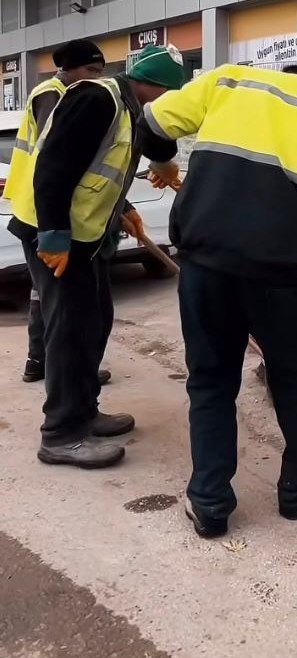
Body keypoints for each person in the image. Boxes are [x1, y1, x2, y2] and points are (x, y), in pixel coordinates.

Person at [142, 32, 297, 539]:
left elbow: (151, 123)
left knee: (211, 381)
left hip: (205, 265)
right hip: (284, 279)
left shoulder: (229, 78)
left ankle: (210, 503)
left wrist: (162, 163)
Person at [8, 44, 184, 470]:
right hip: (54, 235)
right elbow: (55, 165)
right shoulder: (97, 98)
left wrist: (140, 192)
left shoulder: (131, 109)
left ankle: (85, 411)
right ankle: (62, 435)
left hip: (86, 237)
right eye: (172, 94)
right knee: (69, 330)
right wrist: (52, 235)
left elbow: (134, 152)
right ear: (157, 86)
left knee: (95, 320)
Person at [6, 39, 113, 386]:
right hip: (43, 213)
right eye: (91, 71)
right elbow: (59, 160)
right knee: (61, 306)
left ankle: (41, 363)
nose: (97, 79)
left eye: (101, 72)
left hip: (40, 209)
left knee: (46, 295)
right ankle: (62, 371)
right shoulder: (53, 95)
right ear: (66, 70)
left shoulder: (73, 92)